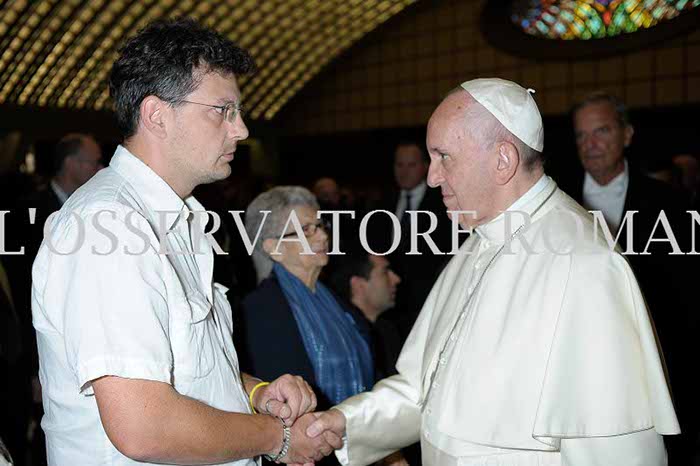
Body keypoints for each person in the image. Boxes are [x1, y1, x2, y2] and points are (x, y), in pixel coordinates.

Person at [305, 78, 680, 466]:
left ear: (502, 160)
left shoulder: (585, 264)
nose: (432, 177)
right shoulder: (478, 241)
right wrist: (343, 423)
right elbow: (426, 390)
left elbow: (616, 452)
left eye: (443, 156)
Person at [31, 18, 339, 466]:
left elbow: (185, 371)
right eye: (223, 110)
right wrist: (277, 437)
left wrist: (254, 392)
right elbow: (143, 426)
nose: (241, 130)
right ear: (157, 114)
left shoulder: (178, 218)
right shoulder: (110, 226)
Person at [568, 93, 697, 464]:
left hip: (656, 360)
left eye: (602, 131)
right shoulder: (557, 205)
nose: (590, 145)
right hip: (583, 364)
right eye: (581, 135)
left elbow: (686, 293)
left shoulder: (670, 203)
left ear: (627, 134)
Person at [237, 186, 374, 465]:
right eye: (305, 230)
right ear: (272, 248)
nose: (323, 236)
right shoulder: (257, 311)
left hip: (363, 448)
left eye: (320, 226)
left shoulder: (338, 303)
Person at [371, 141, 455, 341]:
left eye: (411, 165)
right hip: (390, 309)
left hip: (428, 305)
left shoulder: (445, 204)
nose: (404, 171)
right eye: (399, 165)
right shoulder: (382, 203)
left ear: (425, 166)